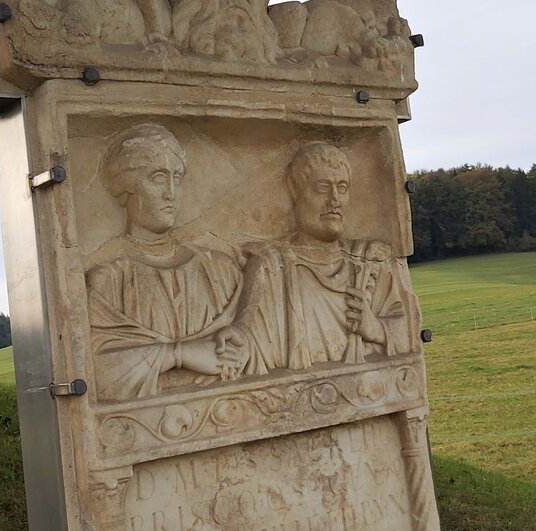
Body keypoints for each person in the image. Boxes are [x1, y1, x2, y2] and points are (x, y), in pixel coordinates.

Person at [215, 142, 414, 375]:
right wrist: (237, 342)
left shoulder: (369, 262)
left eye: (342, 187)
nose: (335, 200)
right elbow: (248, 337)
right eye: (322, 188)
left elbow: (409, 333)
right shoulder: (271, 265)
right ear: (295, 190)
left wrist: (376, 328)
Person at [85, 123, 245, 400]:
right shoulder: (110, 282)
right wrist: (179, 354)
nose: (171, 193)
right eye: (158, 178)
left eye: (177, 178)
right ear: (127, 188)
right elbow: (99, 374)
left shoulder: (220, 270)